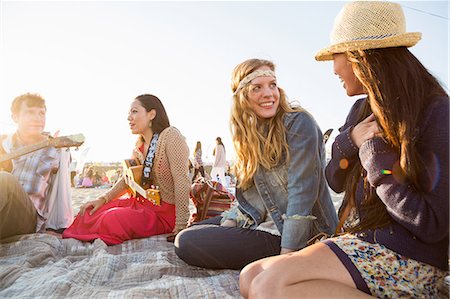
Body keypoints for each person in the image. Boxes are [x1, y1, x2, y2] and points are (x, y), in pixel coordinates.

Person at [239, 2, 449, 298]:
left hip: (410, 258)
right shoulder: (362, 110)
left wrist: (374, 154)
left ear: (359, 57)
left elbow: (432, 225)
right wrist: (351, 140)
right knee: (251, 275)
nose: (334, 67)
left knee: (270, 285)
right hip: (363, 241)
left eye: (336, 55)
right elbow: (334, 177)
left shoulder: (436, 113)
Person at [174, 58, 338, 270]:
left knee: (187, 243)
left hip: (295, 235)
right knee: (188, 234)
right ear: (243, 96)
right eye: (257, 88)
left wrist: (287, 258)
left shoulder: (298, 123)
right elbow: (249, 199)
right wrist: (231, 223)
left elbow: (302, 192)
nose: (269, 93)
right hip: (258, 221)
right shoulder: (249, 137)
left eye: (272, 85)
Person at [62, 94, 191, 245]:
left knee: (111, 219)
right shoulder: (138, 146)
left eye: (134, 111)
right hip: (139, 204)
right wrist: (102, 199)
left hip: (162, 214)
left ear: (152, 114)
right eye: (129, 113)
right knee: (90, 212)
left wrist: (181, 225)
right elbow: (127, 179)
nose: (129, 117)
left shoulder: (170, 136)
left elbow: (182, 180)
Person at [0, 93, 73, 240]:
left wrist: (57, 228)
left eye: (41, 113)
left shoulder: (55, 148)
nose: (38, 118)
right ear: (15, 117)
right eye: (30, 112)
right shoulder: (3, 144)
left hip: (27, 219)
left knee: (5, 180)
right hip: (3, 212)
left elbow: (61, 189)